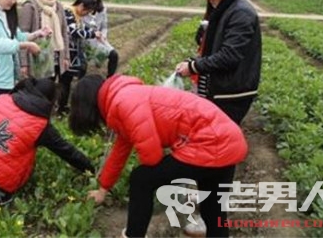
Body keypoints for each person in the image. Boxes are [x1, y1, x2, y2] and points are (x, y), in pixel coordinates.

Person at [69, 74, 248, 238]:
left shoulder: (124, 102)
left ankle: (134, 235)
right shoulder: (126, 96)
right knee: (213, 207)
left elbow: (152, 156)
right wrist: (103, 188)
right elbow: (120, 151)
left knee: (141, 178)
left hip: (208, 142)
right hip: (228, 141)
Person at [0, 77, 94, 206]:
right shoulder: (40, 125)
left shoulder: (1, 98)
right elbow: (67, 152)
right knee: (17, 161)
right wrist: (92, 169)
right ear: (50, 101)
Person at [175, 0, 262, 125]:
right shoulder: (226, 10)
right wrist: (193, 62)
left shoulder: (240, 13)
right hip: (219, 91)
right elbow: (215, 50)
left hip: (229, 95)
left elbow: (229, 56)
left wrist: (193, 67)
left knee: (216, 140)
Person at [19, 0, 70, 79]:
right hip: (37, 57)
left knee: (51, 87)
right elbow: (22, 35)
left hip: (55, 55)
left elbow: (64, 32)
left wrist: (65, 56)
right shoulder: (30, 7)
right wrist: (24, 63)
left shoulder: (58, 7)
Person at [58, 0, 100, 114]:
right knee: (64, 81)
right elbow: (74, 31)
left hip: (72, 54)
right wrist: (92, 34)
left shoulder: (77, 16)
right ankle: (60, 107)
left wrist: (92, 31)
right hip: (64, 52)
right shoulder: (68, 13)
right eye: (86, 11)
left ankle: (63, 105)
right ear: (81, 6)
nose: (86, 14)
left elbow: (82, 28)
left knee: (67, 80)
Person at [81, 0, 119, 77]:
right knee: (82, 63)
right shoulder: (81, 10)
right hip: (84, 41)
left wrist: (103, 36)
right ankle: (79, 82)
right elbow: (79, 28)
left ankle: (110, 79)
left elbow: (104, 26)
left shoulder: (102, 10)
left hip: (99, 40)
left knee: (114, 55)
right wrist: (91, 34)